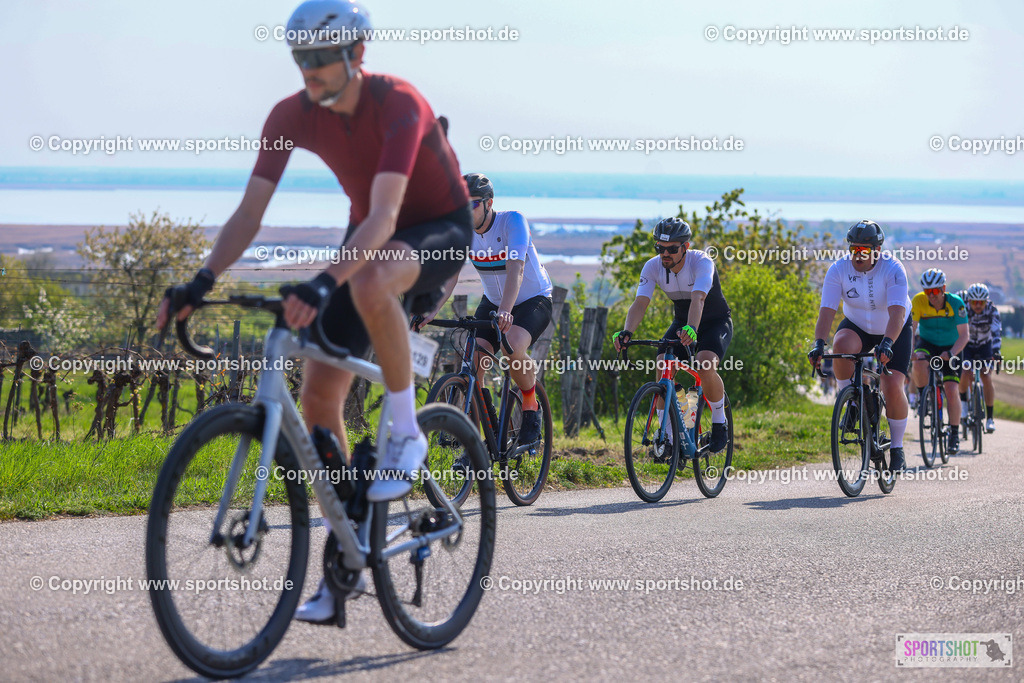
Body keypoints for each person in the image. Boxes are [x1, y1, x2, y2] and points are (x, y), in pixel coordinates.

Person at [156, 0, 473, 624]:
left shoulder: (399, 102)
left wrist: (326, 281)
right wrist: (200, 279)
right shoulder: (287, 116)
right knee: (319, 398)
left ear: (356, 55)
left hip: (436, 226)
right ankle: (345, 560)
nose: (310, 71)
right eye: (301, 58)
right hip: (368, 233)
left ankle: (406, 427)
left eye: (322, 58)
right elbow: (250, 214)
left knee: (371, 278)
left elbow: (386, 218)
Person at [421, 173, 553, 445]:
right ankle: (476, 444)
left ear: (488, 203)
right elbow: (450, 275)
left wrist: (506, 311)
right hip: (493, 302)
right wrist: (429, 310)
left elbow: (516, 268)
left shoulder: (512, 221)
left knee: (512, 345)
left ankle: (530, 406)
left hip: (531, 299)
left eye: (472, 205)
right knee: (473, 362)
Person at [612, 217, 732, 453]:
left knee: (704, 364)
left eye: (672, 249)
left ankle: (720, 423)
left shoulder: (702, 262)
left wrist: (693, 330)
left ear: (685, 247)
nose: (664, 254)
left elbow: (698, 299)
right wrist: (627, 332)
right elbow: (640, 302)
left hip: (713, 322)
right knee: (662, 364)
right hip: (681, 322)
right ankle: (666, 434)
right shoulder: (652, 266)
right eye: (660, 248)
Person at [808, 220, 912, 472]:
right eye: (854, 249)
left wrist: (888, 343)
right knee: (841, 345)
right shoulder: (838, 270)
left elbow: (897, 313)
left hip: (893, 328)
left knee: (891, 384)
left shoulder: (893, 269)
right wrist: (818, 344)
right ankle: (854, 402)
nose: (858, 255)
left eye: (864, 250)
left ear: (876, 250)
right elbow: (827, 311)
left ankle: (897, 447)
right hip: (858, 325)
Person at [910, 268, 969, 454]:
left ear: (943, 288)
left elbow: (964, 336)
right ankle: (923, 396)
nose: (932, 296)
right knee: (918, 363)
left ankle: (953, 433)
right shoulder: (919, 301)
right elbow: (910, 331)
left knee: (951, 390)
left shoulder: (956, 304)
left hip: (951, 346)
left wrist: (951, 353)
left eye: (935, 291)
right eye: (928, 291)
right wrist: (910, 351)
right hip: (927, 342)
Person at [956, 283, 1002, 433]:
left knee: (986, 376)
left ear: (986, 301)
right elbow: (957, 330)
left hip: (985, 346)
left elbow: (996, 332)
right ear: (968, 301)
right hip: (967, 346)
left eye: (980, 302)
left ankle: (990, 418)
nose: (977, 305)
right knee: (965, 372)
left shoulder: (992, 310)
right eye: (973, 302)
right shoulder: (963, 310)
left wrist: (996, 352)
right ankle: (963, 406)